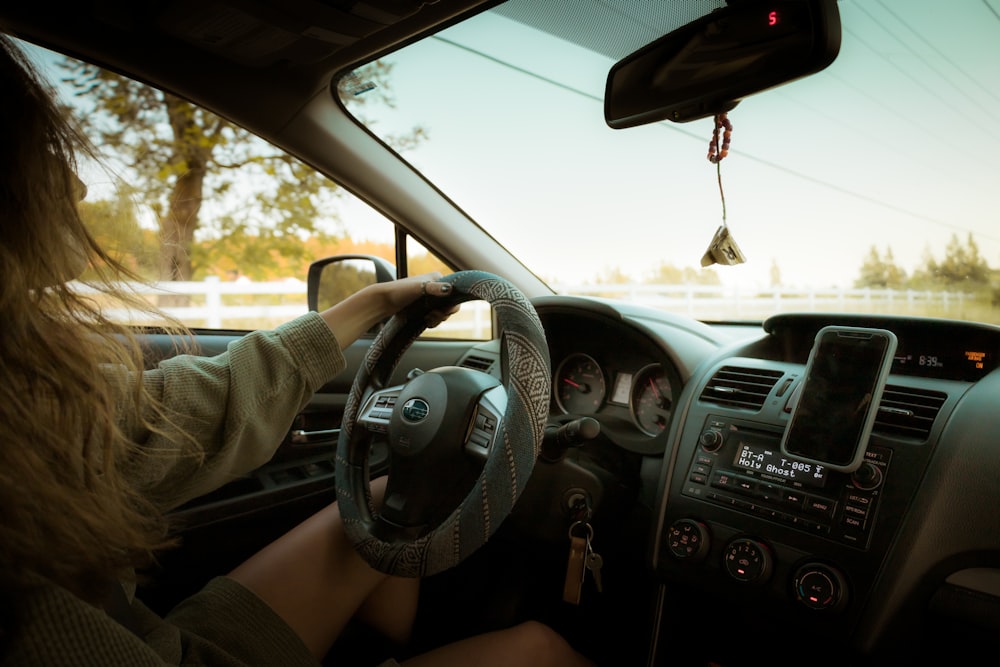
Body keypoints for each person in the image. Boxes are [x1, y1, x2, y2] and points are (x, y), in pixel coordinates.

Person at [0, 34, 594, 666]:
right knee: (540, 648)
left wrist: (368, 305)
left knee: (387, 497)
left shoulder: (20, 383)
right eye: (45, 152)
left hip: (140, 640)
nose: (76, 186)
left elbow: (174, 415)